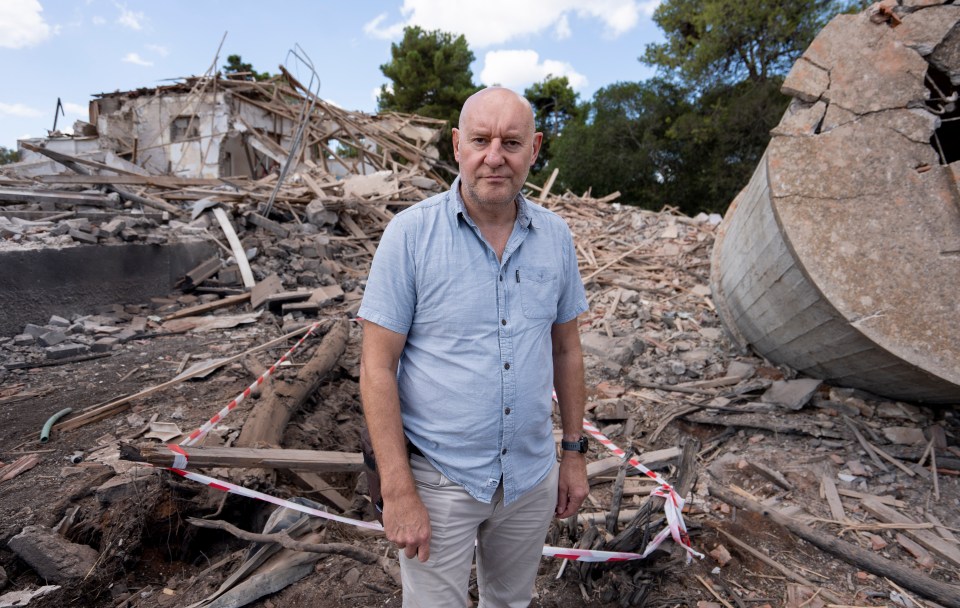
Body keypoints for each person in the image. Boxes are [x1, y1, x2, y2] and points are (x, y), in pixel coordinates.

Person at [358, 86, 590, 607]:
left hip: (530, 477)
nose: (494, 157)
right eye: (481, 140)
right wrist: (397, 490)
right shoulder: (410, 236)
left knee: (510, 602)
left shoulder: (555, 238)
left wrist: (573, 454)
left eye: (511, 142)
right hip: (439, 478)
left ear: (534, 150)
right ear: (458, 145)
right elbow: (376, 366)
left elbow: (566, 351)